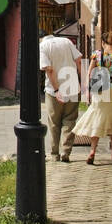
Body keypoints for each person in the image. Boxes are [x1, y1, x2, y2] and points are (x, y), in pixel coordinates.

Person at [77, 39, 112, 164]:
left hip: (98, 91)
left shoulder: (96, 55)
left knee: (97, 120)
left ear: (103, 43)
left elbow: (89, 73)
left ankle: (92, 151)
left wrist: (88, 91)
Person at [39, 28, 83, 163]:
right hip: (73, 86)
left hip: (54, 90)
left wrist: (57, 90)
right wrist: (82, 81)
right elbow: (79, 60)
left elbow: (49, 69)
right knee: (70, 120)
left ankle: (54, 153)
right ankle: (66, 151)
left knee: (54, 122)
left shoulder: (43, 46)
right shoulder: (66, 41)